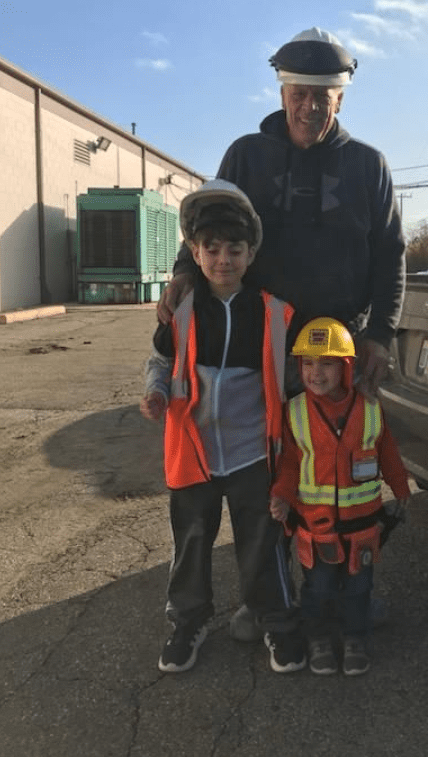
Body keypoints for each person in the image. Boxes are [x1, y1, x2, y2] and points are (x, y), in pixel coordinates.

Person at [157, 26, 406, 400]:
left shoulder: (369, 166)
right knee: (262, 454)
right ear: (282, 95)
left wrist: (381, 336)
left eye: (323, 95)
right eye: (300, 94)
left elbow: (390, 255)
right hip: (255, 345)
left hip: (338, 349)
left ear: (339, 100)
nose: (311, 106)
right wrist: (185, 273)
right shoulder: (247, 156)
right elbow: (209, 225)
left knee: (333, 454)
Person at [140, 179, 305, 674]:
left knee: (263, 541)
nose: (223, 259)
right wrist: (156, 391)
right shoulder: (182, 311)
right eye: (211, 249)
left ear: (252, 254)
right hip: (193, 455)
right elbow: (159, 360)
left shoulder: (275, 313)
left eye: (235, 249)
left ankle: (277, 621)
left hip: (255, 453)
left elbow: (293, 383)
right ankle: (188, 622)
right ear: (194, 251)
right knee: (191, 542)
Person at [269, 317, 411, 676]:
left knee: (359, 588)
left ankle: (354, 639)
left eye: (327, 363)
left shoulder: (370, 409)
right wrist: (282, 497)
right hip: (316, 531)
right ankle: (317, 639)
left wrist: (401, 487)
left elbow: (388, 452)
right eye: (308, 364)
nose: (316, 373)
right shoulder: (295, 412)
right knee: (317, 589)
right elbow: (288, 464)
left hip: (362, 530)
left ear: (346, 368)